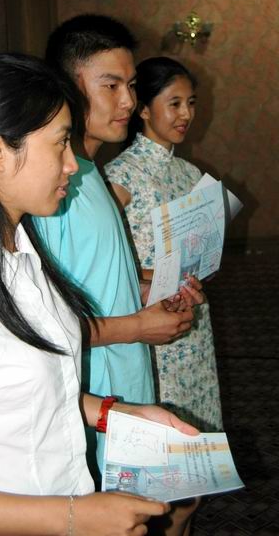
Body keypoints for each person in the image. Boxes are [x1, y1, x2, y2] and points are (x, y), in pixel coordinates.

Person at [0, 53, 199, 536]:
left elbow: (32, 395)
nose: (73, 163)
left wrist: (118, 414)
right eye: (59, 143)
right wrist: (75, 517)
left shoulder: (22, 248)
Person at [33, 17, 201, 536]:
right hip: (88, 402)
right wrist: (138, 326)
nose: (128, 100)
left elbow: (91, 280)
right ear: (67, 85)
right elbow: (38, 328)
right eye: (110, 85)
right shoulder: (52, 190)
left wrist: (147, 287)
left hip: (124, 393)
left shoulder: (89, 174)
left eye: (130, 85)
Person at [105, 56, 223, 432]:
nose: (186, 114)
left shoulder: (190, 173)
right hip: (149, 321)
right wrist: (152, 276)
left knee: (198, 425)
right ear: (143, 109)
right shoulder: (120, 176)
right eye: (174, 103)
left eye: (190, 103)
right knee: (161, 429)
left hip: (192, 319)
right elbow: (100, 264)